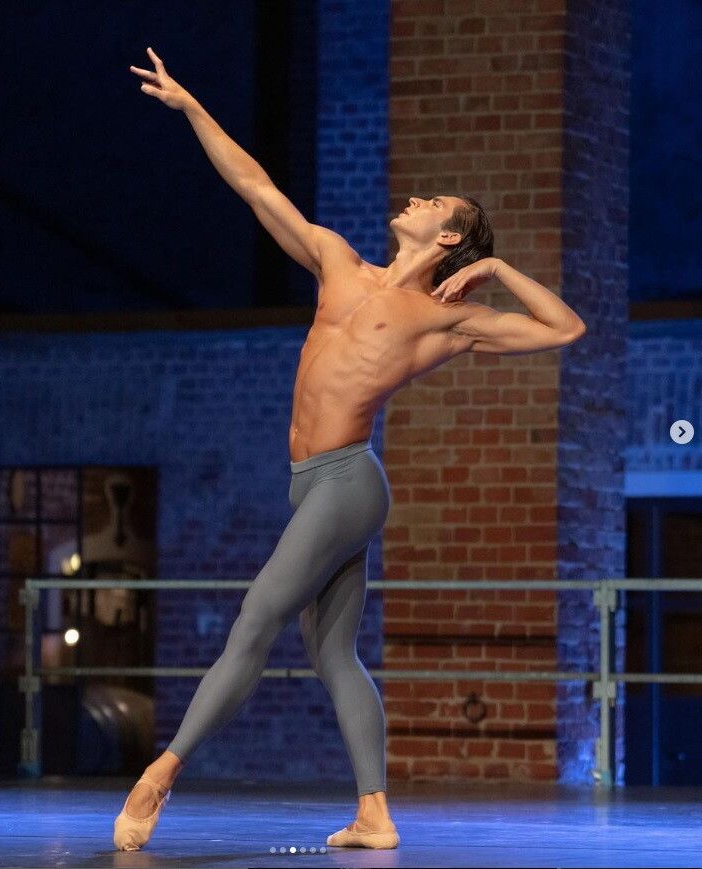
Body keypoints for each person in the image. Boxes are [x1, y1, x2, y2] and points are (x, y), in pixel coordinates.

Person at [114, 47, 587, 853]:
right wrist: (191, 106)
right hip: (310, 482)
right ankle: (375, 812)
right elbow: (256, 186)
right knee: (333, 651)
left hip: (348, 482)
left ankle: (160, 772)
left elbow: (565, 327)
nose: (415, 197)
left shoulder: (445, 319)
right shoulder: (338, 261)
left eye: (433, 201)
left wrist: (498, 266)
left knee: (258, 613)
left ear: (448, 235)